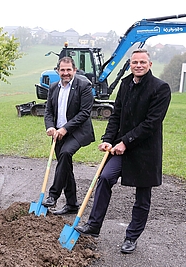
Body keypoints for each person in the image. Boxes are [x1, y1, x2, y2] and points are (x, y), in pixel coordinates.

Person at [74, 49, 171, 254]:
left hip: (145, 152)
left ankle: (131, 237)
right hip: (121, 148)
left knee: (142, 196)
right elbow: (116, 116)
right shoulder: (125, 84)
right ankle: (94, 225)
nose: (138, 65)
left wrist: (125, 142)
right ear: (129, 64)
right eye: (134, 62)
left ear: (149, 65)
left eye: (142, 62)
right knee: (105, 178)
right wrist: (108, 140)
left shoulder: (161, 88)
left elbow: (151, 123)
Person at [42, 56, 95, 215]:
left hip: (77, 131)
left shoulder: (84, 86)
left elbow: (85, 113)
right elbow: (48, 112)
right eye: (62, 70)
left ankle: (53, 195)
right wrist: (50, 127)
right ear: (57, 71)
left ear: (74, 70)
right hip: (58, 133)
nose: (65, 73)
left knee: (65, 153)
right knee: (66, 167)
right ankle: (72, 205)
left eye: (68, 70)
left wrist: (65, 128)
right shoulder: (53, 87)